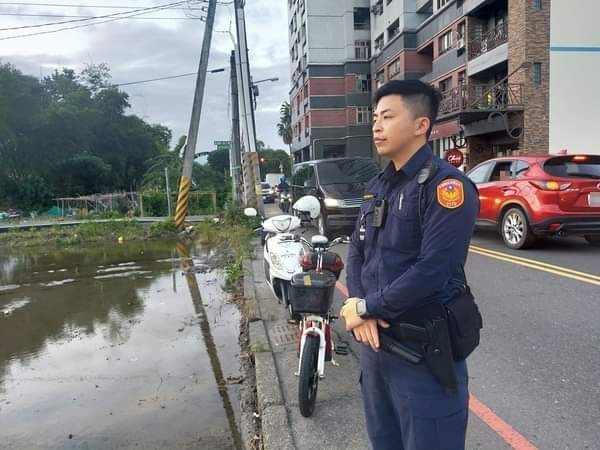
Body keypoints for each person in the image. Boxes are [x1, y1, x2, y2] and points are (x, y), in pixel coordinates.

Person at [339, 80, 479, 450]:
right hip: (375, 351)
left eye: (387, 116)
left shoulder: (446, 186)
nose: (376, 126)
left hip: (422, 356)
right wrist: (358, 305)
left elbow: (435, 269)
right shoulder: (377, 186)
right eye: (374, 119)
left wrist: (368, 307)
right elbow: (357, 252)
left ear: (421, 125)